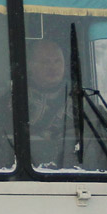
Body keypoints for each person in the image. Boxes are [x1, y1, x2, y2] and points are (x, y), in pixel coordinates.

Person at [26, 38, 73, 166]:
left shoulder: (78, 97)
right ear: (30, 65)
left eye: (58, 61)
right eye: (45, 62)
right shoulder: (15, 100)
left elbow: (102, 123)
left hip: (73, 171)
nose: (53, 67)